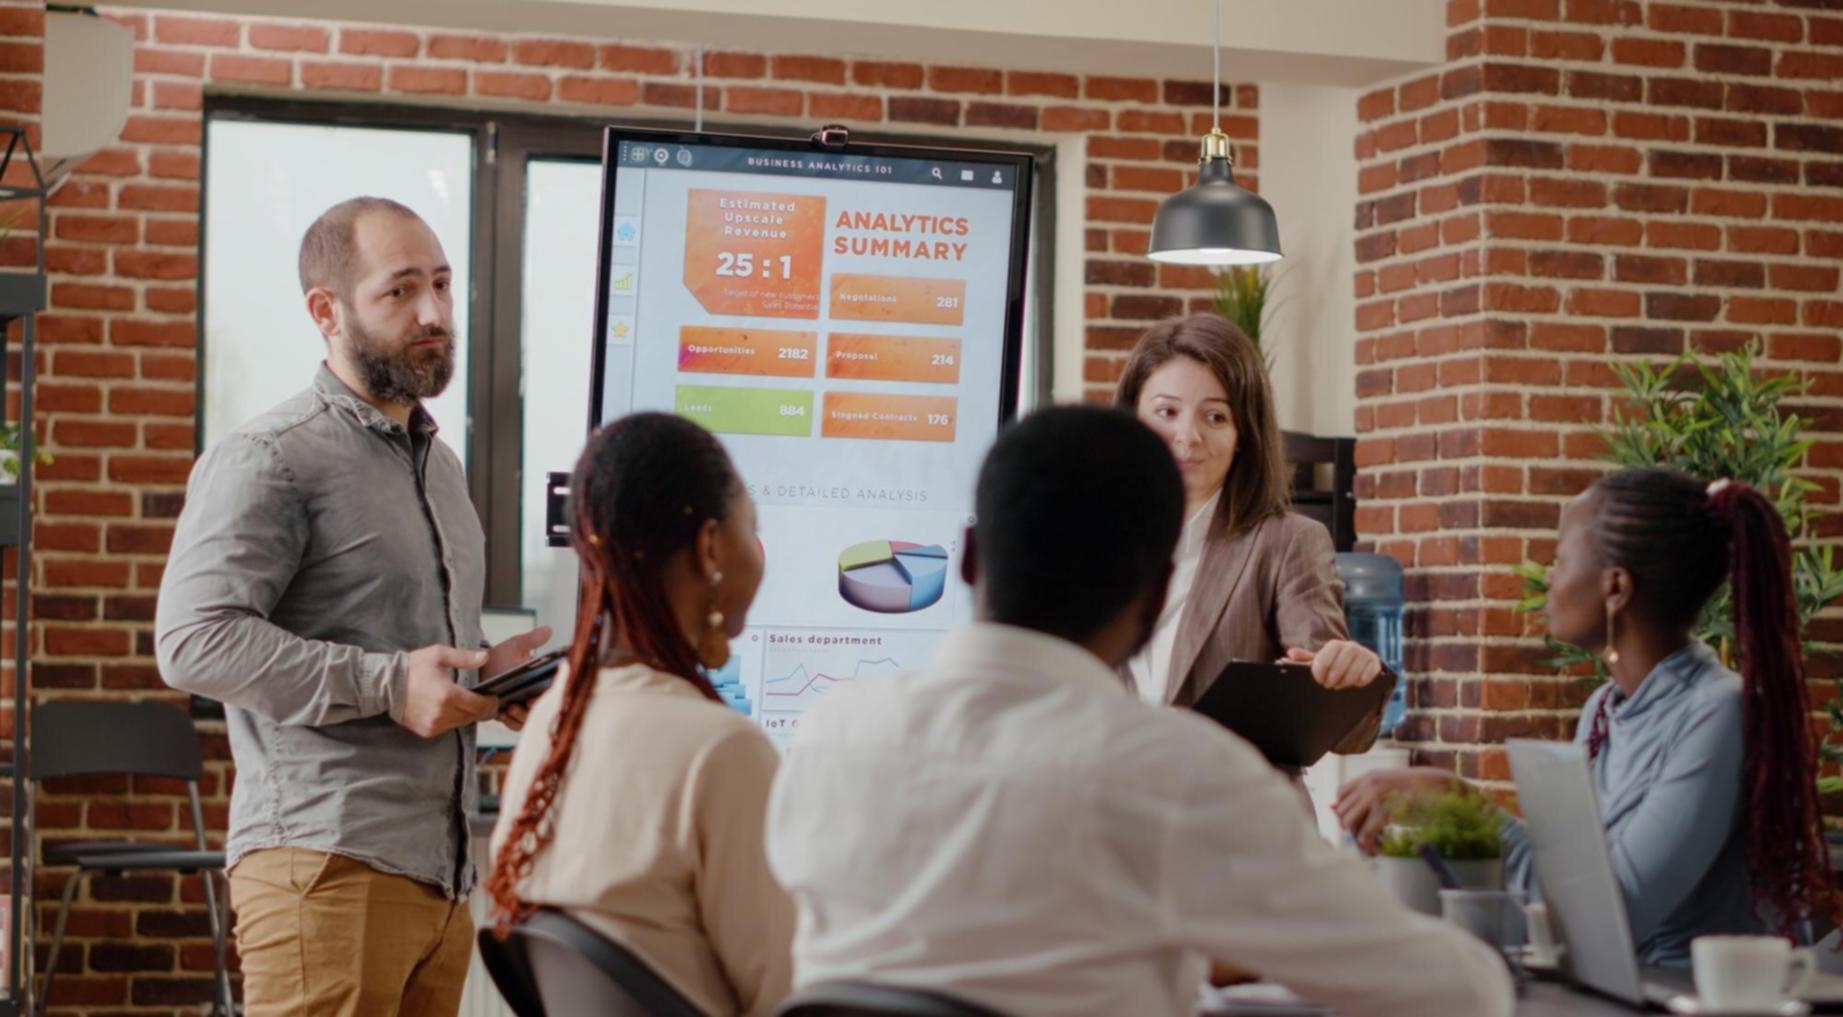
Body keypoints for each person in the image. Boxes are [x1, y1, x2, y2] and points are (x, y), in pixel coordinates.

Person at [766, 405, 1513, 1017]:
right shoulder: (1174, 771)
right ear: (1155, 594)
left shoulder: (828, 734)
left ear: (967, 557)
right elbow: (1445, 991)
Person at [157, 196, 550, 1017]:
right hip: (322, 865)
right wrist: (387, 684)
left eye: (442, 284)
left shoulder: (438, 466)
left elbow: (403, 648)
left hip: (438, 877)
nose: (435, 312)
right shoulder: (270, 457)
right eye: (400, 291)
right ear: (325, 311)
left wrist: (489, 672)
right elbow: (192, 640)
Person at [1337, 467, 1842, 967]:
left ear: (1615, 587)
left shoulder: (1718, 713)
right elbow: (1563, 894)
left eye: (1560, 560)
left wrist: (1459, 799)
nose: (1549, 580)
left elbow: (1613, 914)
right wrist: (1439, 831)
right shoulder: (1604, 711)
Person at [487, 412, 793, 1017]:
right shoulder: (721, 750)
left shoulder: (555, 721)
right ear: (709, 547)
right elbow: (787, 997)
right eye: (750, 528)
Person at [1114, 314, 1386, 756]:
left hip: (1239, 816)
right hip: (1111, 814)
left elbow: (1343, 732)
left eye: (1216, 416)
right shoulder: (1086, 542)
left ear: (1244, 434)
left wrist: (1352, 677)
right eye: (1166, 412)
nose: (1188, 436)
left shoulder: (1287, 543)